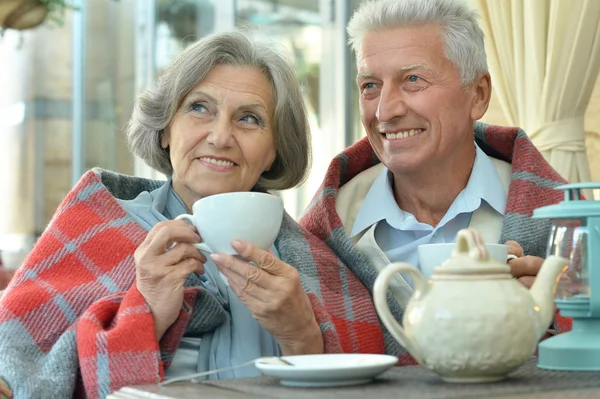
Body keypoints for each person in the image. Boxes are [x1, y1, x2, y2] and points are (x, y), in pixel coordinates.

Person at [0, 30, 386, 399]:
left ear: (273, 151)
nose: (220, 136)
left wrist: (303, 336)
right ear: (166, 129)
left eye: (249, 118)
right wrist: (146, 312)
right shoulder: (95, 228)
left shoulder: (320, 265)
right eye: (200, 108)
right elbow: (19, 370)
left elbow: (382, 384)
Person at [299, 0, 572, 356]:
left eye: (412, 79)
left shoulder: (568, 223)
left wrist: (555, 326)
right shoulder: (318, 237)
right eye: (370, 85)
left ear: (478, 95)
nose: (385, 111)